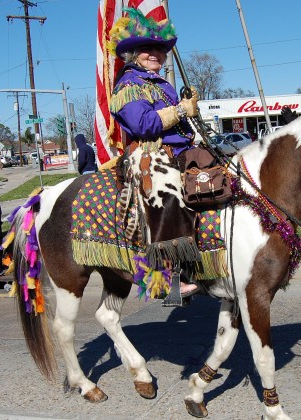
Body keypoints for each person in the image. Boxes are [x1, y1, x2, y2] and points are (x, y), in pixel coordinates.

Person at [108, 8, 199, 297]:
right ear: (134, 53)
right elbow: (144, 124)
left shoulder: (160, 84)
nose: (155, 54)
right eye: (148, 49)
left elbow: (178, 123)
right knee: (168, 194)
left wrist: (187, 113)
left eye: (159, 50)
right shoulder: (130, 84)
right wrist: (180, 109)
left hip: (180, 150)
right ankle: (167, 281)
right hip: (150, 154)